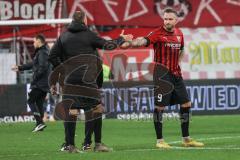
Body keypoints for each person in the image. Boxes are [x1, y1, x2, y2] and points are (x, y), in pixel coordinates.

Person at [49, 10, 132, 153]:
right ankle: (98, 144)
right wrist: (120, 39)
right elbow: (108, 45)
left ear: (72, 21)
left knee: (71, 112)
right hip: (88, 81)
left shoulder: (63, 37)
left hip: (70, 81)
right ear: (85, 21)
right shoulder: (89, 35)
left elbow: (52, 56)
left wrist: (64, 68)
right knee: (96, 109)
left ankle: (70, 146)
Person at [122, 8, 204, 148]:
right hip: (162, 76)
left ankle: (186, 139)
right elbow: (142, 41)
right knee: (160, 107)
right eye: (165, 19)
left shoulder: (179, 34)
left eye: (170, 19)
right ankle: (159, 141)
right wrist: (130, 42)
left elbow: (182, 50)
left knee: (186, 104)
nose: (167, 21)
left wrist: (177, 63)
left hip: (176, 74)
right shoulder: (157, 33)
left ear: (176, 20)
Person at [12, 34, 50, 132]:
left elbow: (42, 67)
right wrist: (20, 67)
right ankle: (40, 125)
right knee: (39, 103)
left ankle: (39, 123)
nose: (33, 43)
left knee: (31, 101)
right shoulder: (43, 52)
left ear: (39, 41)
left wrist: (35, 78)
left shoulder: (42, 52)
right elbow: (32, 64)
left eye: (34, 41)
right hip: (44, 83)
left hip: (40, 83)